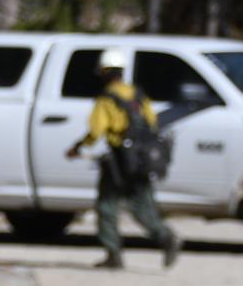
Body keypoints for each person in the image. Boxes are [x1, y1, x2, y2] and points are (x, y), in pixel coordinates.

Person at [65, 61, 180, 269]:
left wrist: (78, 147)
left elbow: (96, 130)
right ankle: (165, 237)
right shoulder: (138, 94)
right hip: (141, 160)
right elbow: (152, 123)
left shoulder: (106, 98)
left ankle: (113, 255)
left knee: (107, 206)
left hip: (118, 161)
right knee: (143, 206)